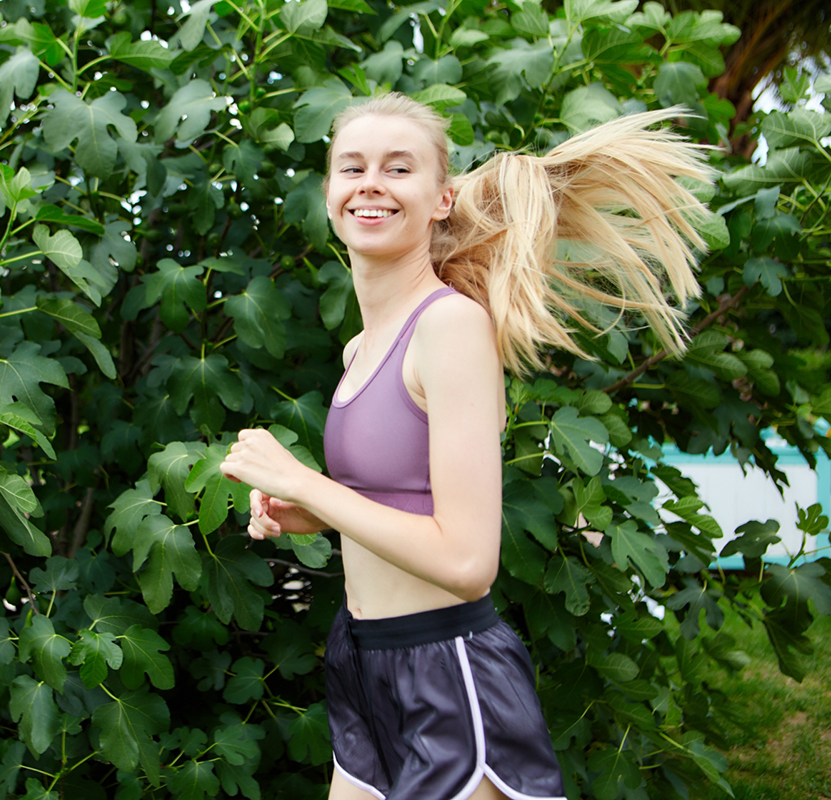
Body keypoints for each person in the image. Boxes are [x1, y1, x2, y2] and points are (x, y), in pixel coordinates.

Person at [219, 93, 712, 800]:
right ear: (328, 190)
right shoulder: (362, 347)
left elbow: (468, 562)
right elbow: (405, 499)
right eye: (351, 166)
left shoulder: (448, 327)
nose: (370, 184)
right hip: (365, 662)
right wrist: (318, 516)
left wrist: (308, 483)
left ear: (441, 197)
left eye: (398, 168)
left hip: (445, 670)